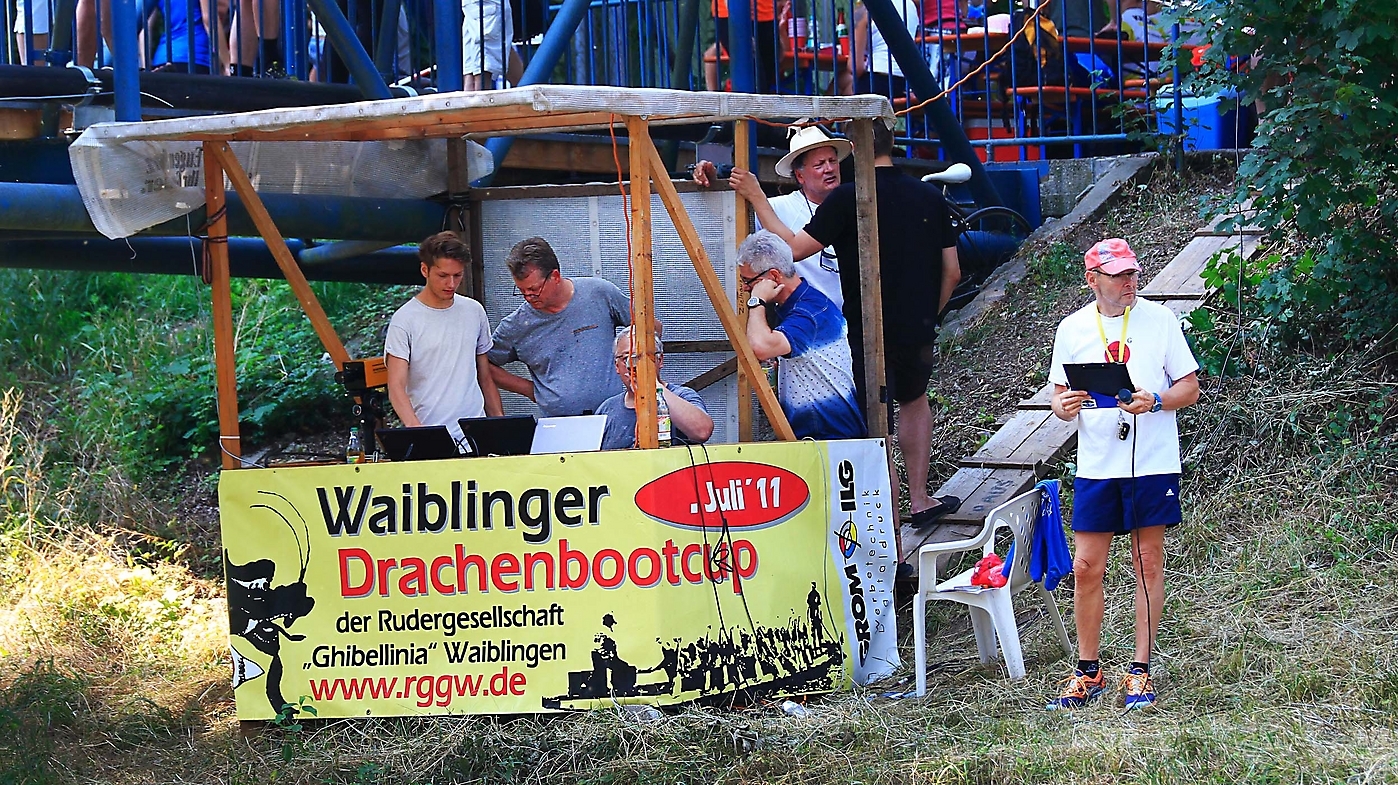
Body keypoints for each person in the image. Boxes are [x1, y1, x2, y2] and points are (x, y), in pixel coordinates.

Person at [728, 119, 962, 527]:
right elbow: (953, 272)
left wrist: (756, 197)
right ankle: (921, 498)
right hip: (917, 325)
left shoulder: (848, 198)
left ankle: (888, 519)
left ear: (855, 150)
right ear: (892, 142)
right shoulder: (929, 196)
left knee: (876, 425)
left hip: (865, 329)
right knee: (915, 400)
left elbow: (793, 249)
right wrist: (930, 314)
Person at [1045, 238, 1200, 711]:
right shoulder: (1072, 328)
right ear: (1093, 280)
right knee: (1085, 567)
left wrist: (1156, 401)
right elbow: (1057, 398)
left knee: (1147, 562)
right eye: (1118, 276)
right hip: (1097, 464)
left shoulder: (1161, 320)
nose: (1129, 282)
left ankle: (1140, 669)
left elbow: (1190, 388)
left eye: (1132, 273)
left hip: (1151, 461)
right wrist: (1065, 406)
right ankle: (1087, 671)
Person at [695, 124, 852, 307]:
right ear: (800, 176)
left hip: (856, 315)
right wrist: (712, 185)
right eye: (819, 164)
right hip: (807, 318)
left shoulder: (855, 203)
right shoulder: (774, 208)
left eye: (833, 161)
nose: (829, 168)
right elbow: (723, 221)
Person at [737, 230, 864, 441]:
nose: (744, 288)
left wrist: (756, 300)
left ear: (774, 276)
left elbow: (761, 347)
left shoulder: (809, 313)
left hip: (830, 437)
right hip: (818, 434)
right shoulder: (798, 306)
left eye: (748, 281)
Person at [488, 236, 632, 417]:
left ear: (555, 276)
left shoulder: (599, 294)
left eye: (534, 289)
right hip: (558, 423)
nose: (528, 296)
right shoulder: (517, 325)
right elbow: (483, 364)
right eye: (522, 290)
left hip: (615, 417)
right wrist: (531, 390)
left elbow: (649, 329)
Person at [384, 231, 503, 445]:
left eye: (457, 275)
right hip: (431, 434)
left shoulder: (474, 311)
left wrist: (501, 427)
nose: (451, 283)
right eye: (443, 276)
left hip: (477, 434)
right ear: (425, 270)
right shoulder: (405, 320)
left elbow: (484, 377)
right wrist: (418, 432)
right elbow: (396, 386)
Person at [595, 327, 714, 450]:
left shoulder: (682, 395)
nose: (634, 365)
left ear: (660, 360)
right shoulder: (607, 409)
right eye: (627, 359)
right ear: (617, 366)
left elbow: (702, 432)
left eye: (642, 358)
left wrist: (652, 384)